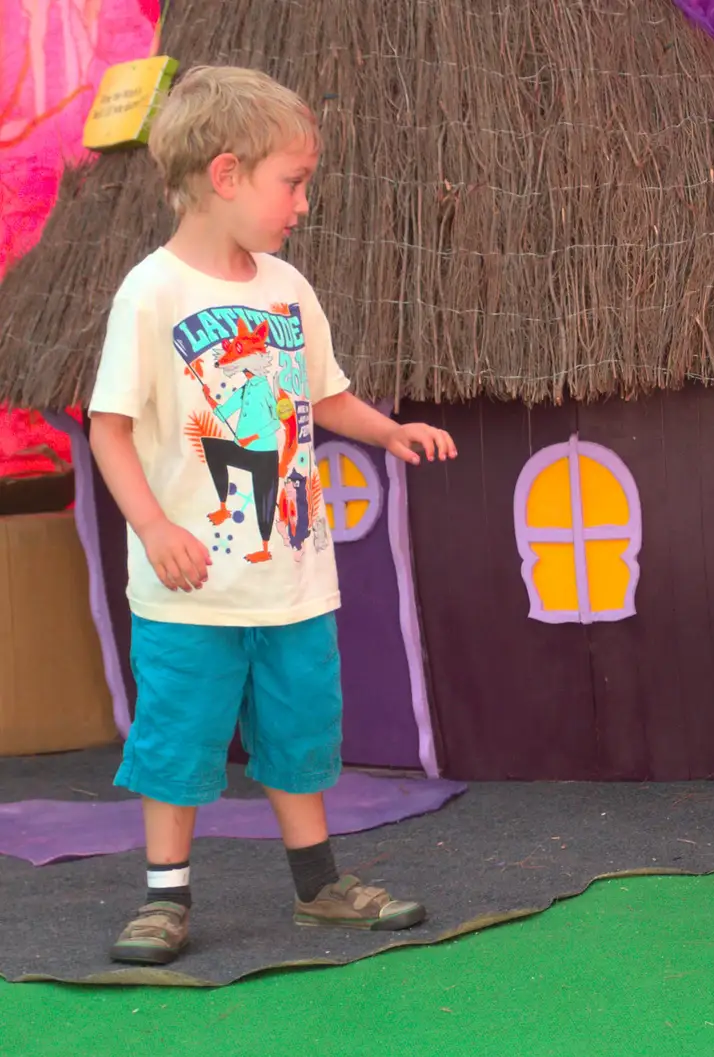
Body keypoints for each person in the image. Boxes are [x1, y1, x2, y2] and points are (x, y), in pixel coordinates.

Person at [86, 66, 459, 965]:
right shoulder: (153, 293)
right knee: (179, 736)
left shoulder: (288, 288)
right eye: (290, 182)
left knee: (299, 732)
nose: (301, 202)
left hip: (292, 579)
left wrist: (390, 429)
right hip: (192, 590)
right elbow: (109, 431)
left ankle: (320, 886)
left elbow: (323, 396)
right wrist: (155, 528)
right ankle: (164, 897)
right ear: (225, 175)